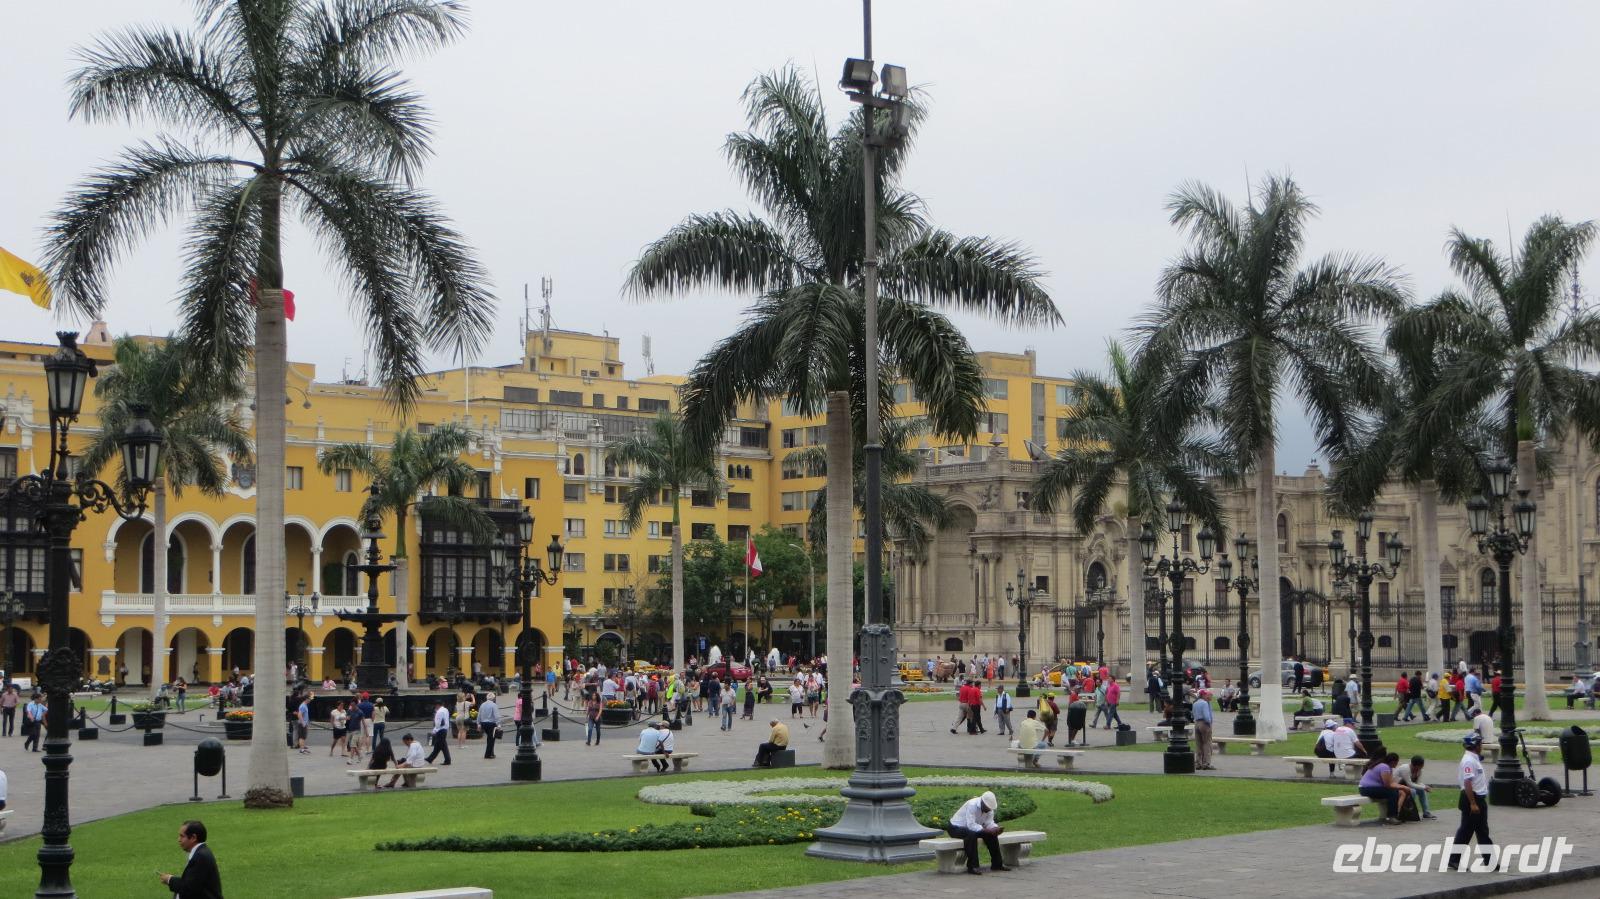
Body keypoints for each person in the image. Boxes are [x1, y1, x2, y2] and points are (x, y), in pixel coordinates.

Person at [1450, 733, 1493, 870]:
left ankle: (1489, 860)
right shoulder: (1469, 760)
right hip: (1472, 798)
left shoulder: (1473, 759)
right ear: (1476, 745)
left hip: (1477, 798)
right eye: (1480, 744)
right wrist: (1473, 803)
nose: (1482, 746)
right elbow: (1467, 782)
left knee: (1482, 831)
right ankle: (1454, 859)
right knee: (1466, 831)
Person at [947, 791, 1008, 875]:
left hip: (972, 827)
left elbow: (989, 822)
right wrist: (988, 830)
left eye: (990, 808)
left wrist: (995, 829)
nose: (989, 810)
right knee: (972, 835)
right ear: (982, 802)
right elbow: (971, 825)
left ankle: (997, 864)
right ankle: (973, 866)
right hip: (955, 828)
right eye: (988, 807)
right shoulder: (972, 805)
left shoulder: (990, 809)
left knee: (991, 835)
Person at [158, 820, 223, 899]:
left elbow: (189, 888)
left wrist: (169, 879)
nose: (179, 839)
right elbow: (193, 882)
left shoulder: (200, 856)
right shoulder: (201, 852)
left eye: (182, 836)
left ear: (193, 838)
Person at [1359, 751, 1411, 825]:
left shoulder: (1386, 767)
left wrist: (1403, 787)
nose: (1397, 764)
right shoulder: (1384, 767)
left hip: (1369, 788)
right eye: (1397, 762)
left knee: (1399, 792)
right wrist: (1403, 787)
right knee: (1393, 792)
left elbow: (1391, 783)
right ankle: (1391, 817)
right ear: (1393, 761)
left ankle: (1397, 814)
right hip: (1366, 789)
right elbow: (1388, 785)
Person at [1395, 755, 1437, 820]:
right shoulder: (1405, 769)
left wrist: (1424, 786)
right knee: (1413, 791)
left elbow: (1418, 783)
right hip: (1397, 786)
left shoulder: (1419, 771)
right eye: (1422, 765)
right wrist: (1424, 787)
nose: (1422, 767)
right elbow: (1410, 784)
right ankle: (1410, 811)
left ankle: (1426, 812)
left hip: (1406, 786)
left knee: (1421, 791)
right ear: (1417, 765)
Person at [426, 699, 452, 765]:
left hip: (440, 730)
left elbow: (438, 723)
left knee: (443, 747)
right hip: (445, 729)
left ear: (437, 705)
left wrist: (434, 731)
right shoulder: (446, 710)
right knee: (438, 746)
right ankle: (430, 758)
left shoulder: (439, 712)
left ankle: (447, 760)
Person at [479, 692, 500, 759]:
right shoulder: (494, 705)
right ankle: (488, 754)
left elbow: (479, 714)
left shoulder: (482, 705)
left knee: (489, 737)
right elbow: (496, 716)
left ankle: (491, 753)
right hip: (491, 724)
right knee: (491, 739)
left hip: (483, 723)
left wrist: (478, 723)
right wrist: (498, 724)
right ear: (493, 698)